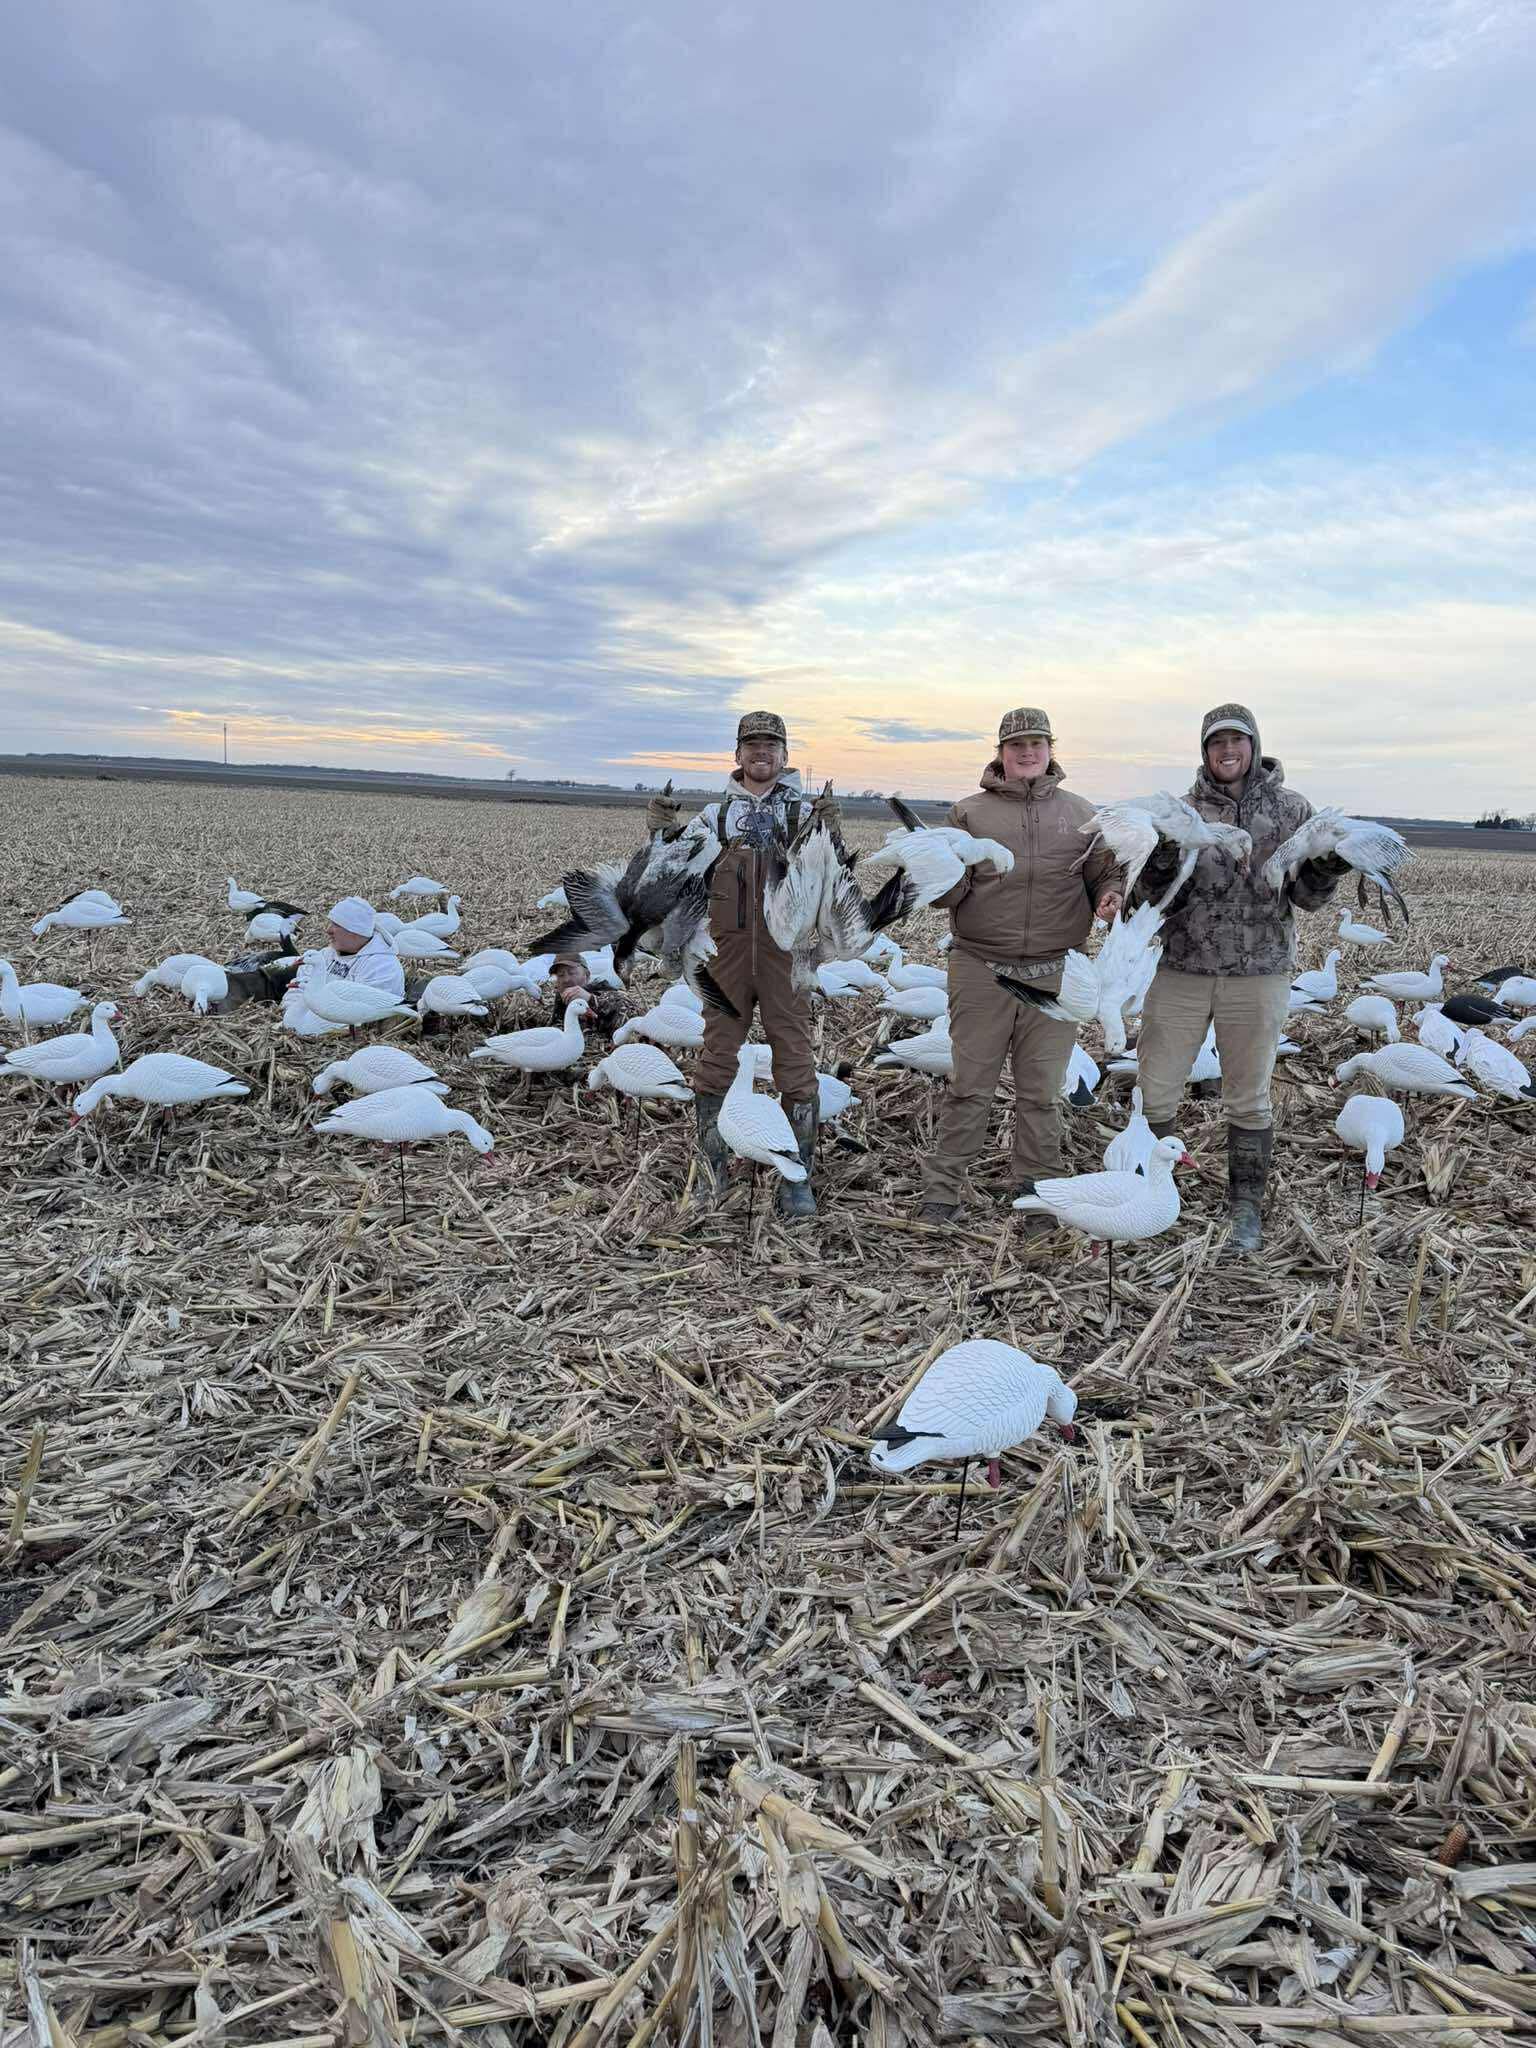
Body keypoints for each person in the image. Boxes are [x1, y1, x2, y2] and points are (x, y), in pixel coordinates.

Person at [1130, 703, 1346, 1251]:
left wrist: (1325, 869)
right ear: (1204, 751)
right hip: (1181, 967)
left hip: (1260, 971)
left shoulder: (1294, 809)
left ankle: (1245, 1208)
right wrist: (1159, 860)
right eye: (1216, 742)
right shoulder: (1180, 811)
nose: (1227, 750)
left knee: (1248, 1098)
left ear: (1254, 745)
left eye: (1237, 740)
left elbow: (1308, 899)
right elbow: (1149, 899)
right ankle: (1149, 1195)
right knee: (1155, 1092)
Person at [919, 708, 1123, 1223]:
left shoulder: (1082, 813)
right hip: (981, 968)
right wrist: (931, 872)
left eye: (1036, 743)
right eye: (1016, 744)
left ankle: (1039, 1192)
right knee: (970, 1087)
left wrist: (1110, 895)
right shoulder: (970, 814)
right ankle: (943, 1191)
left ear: (1051, 748)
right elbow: (950, 892)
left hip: (1057, 971)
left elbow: (1105, 875)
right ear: (1000, 752)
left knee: (1042, 1092)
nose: (1027, 752)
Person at [645, 711, 833, 1220]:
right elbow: (672, 874)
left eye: (771, 745)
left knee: (794, 1057)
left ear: (785, 755)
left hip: (783, 955)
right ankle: (712, 1171)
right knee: (717, 1056)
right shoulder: (714, 817)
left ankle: (797, 1179)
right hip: (724, 955)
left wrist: (828, 837)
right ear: (737, 754)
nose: (761, 753)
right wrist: (660, 836)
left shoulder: (804, 813)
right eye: (752, 745)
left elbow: (831, 882)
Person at [281, 897, 406, 1028]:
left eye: (336, 925)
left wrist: (301, 1025)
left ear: (355, 931)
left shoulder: (382, 968)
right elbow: (298, 989)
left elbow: (362, 1016)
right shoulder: (325, 955)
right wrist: (291, 1013)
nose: (328, 930)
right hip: (303, 1023)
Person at [546, 954, 632, 1041]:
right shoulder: (560, 1002)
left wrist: (591, 999)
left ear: (587, 976)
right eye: (561, 975)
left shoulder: (606, 993)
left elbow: (631, 1013)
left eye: (572, 973)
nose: (566, 979)